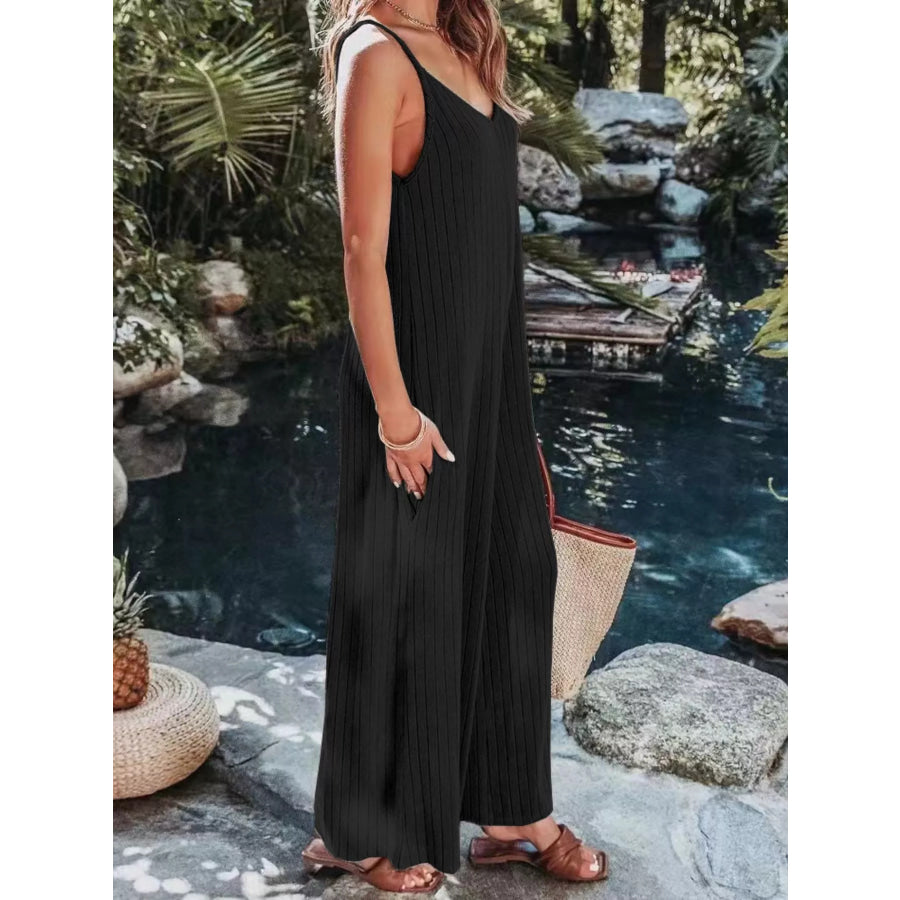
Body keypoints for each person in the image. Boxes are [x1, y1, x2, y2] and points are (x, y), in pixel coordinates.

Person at [301, 0, 608, 892]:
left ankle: (512, 813)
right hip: (416, 380)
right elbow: (362, 249)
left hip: (489, 377)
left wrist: (512, 411)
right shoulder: (375, 51)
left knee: (519, 572)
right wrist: (396, 412)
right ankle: (363, 830)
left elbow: (485, 238)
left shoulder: (466, 40)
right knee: (406, 597)